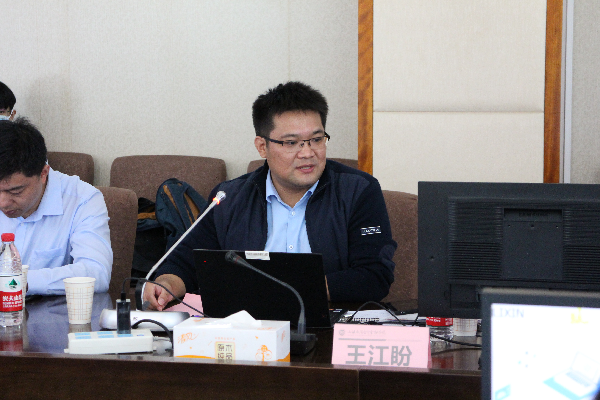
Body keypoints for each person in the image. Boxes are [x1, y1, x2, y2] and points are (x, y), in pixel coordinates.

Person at [144, 81, 396, 310]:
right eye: (291, 143)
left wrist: (289, 289)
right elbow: (186, 263)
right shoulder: (228, 198)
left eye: (317, 139)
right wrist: (166, 284)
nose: (308, 153)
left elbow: (375, 275)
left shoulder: (358, 190)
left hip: (328, 328)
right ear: (262, 146)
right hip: (246, 329)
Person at [0, 118, 112, 295]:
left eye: (15, 191)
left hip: (47, 310)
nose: (3, 203)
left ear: (43, 173)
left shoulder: (83, 200)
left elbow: (96, 273)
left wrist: (17, 281)